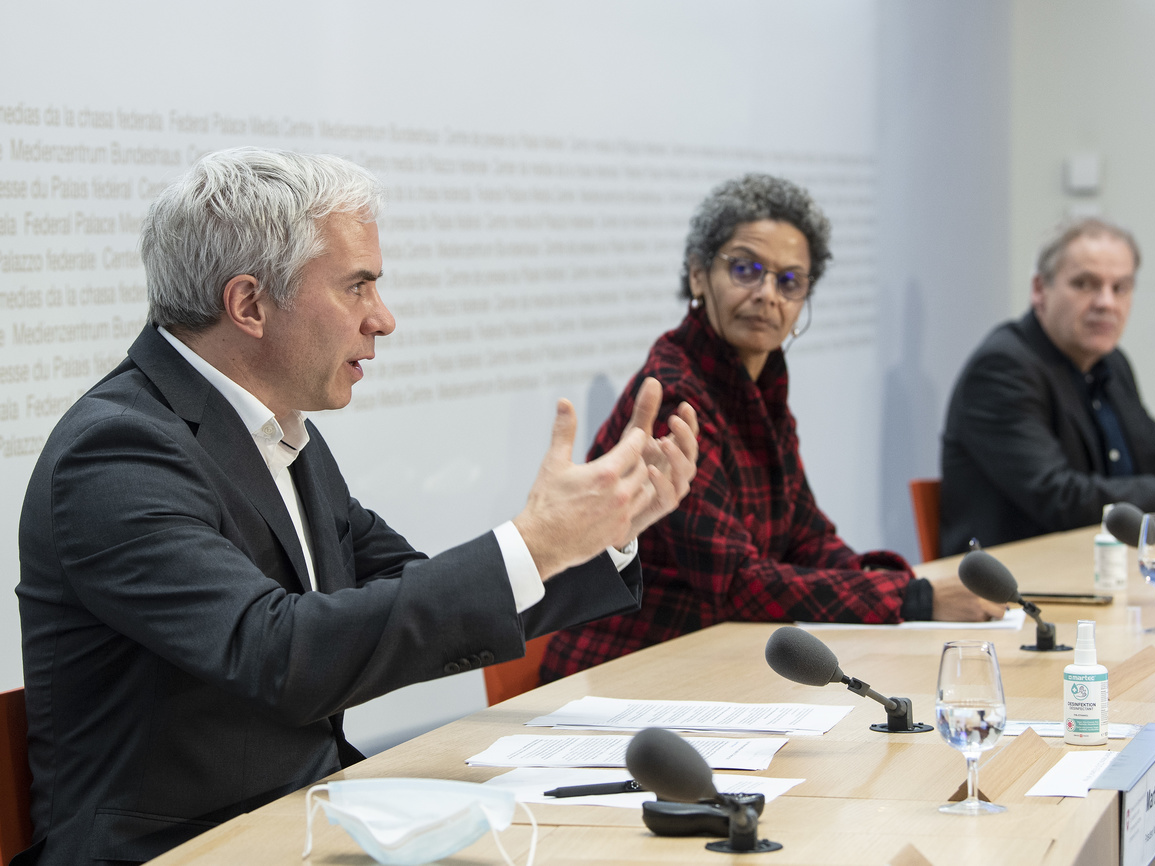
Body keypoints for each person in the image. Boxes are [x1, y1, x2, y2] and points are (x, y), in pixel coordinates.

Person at [14, 148, 698, 866]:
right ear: (249, 305)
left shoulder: (275, 432)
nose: (384, 319)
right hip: (183, 849)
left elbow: (416, 598)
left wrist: (596, 536)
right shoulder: (117, 453)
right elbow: (277, 654)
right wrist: (535, 543)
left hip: (299, 823)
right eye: (358, 287)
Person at [540, 174, 1001, 682]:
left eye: (789, 281)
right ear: (698, 275)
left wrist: (891, 584)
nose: (767, 295)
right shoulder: (677, 394)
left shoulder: (761, 383)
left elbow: (806, 538)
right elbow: (734, 582)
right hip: (626, 675)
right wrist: (912, 597)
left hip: (712, 661)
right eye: (745, 269)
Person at [939, 217, 1155, 557]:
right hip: (1016, 580)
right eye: (1085, 284)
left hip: (1101, 568)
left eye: (1120, 287)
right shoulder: (1002, 368)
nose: (1106, 302)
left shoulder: (1111, 363)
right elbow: (1064, 500)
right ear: (1040, 290)